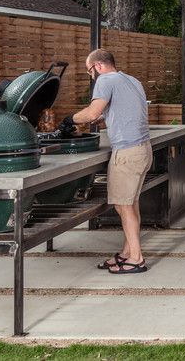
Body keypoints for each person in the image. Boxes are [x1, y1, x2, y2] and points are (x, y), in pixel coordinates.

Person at [61, 48, 151, 274]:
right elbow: (122, 112)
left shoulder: (105, 80)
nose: (91, 76)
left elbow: (92, 113)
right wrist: (105, 119)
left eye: (90, 71)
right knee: (130, 204)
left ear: (98, 66)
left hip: (127, 154)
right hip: (143, 150)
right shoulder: (132, 81)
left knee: (123, 206)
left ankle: (137, 259)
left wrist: (69, 120)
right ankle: (127, 253)